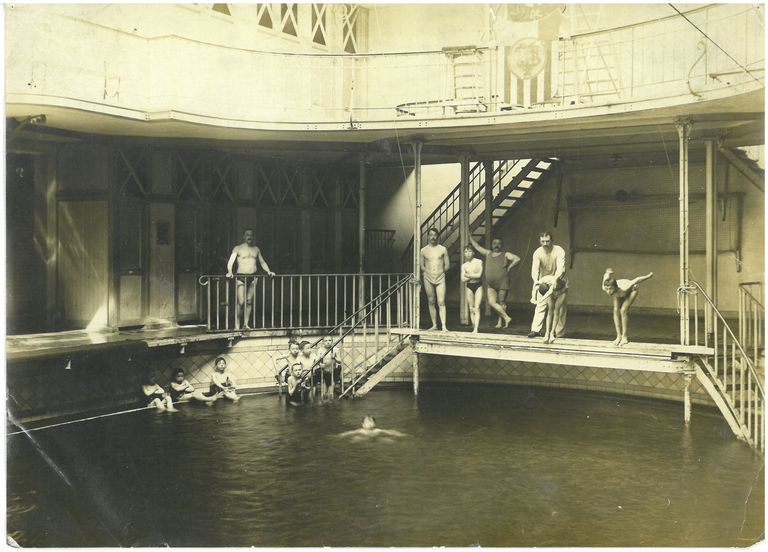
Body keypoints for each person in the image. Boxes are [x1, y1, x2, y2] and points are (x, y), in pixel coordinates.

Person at [226, 228, 275, 330]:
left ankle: (246, 324)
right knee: (241, 302)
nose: (249, 236)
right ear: (243, 236)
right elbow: (231, 261)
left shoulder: (256, 249)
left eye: (251, 235)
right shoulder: (237, 248)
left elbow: (262, 262)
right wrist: (230, 272)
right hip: (241, 276)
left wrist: (269, 271)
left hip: (253, 277)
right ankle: (237, 324)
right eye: (247, 234)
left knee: (249, 301)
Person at [470, 235, 521, 328]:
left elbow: (517, 258)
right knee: (492, 302)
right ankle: (506, 317)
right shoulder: (488, 253)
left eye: (499, 243)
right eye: (494, 243)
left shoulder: (505, 254)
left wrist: (509, 267)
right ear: (492, 245)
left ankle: (500, 322)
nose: (496, 245)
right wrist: (470, 236)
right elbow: (477, 247)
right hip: (491, 284)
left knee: (501, 302)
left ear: (501, 245)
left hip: (503, 282)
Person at [529, 231, 567, 339]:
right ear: (540, 241)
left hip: (559, 280)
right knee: (541, 304)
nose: (545, 244)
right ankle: (535, 330)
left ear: (552, 241)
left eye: (547, 241)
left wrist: (555, 279)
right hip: (543, 280)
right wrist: (536, 281)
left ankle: (558, 332)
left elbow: (561, 268)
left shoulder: (559, 250)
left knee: (559, 308)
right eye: (543, 241)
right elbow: (535, 270)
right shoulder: (537, 253)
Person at [602, 269, 654, 346]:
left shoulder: (624, 287)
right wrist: (608, 273)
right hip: (618, 293)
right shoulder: (605, 287)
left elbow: (637, 279)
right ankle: (618, 336)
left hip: (632, 290)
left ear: (615, 287)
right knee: (615, 310)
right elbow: (605, 276)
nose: (608, 291)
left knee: (623, 310)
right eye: (607, 289)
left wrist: (649, 276)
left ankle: (624, 337)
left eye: (610, 289)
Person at [420, 227, 450, 331]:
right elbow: (422, 266)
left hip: (440, 278)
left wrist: (440, 273)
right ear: (428, 236)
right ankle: (434, 325)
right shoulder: (423, 250)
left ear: (437, 236)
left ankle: (444, 326)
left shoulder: (442, 249)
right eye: (431, 235)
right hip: (428, 278)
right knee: (431, 301)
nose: (433, 237)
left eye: (435, 235)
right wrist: (428, 273)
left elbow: (447, 265)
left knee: (441, 301)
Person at [531, 274, 567, 344]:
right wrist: (533, 298)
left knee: (556, 311)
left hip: (561, 291)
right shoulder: (541, 281)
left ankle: (552, 333)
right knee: (550, 311)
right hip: (550, 290)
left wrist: (539, 300)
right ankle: (547, 333)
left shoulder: (552, 284)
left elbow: (547, 294)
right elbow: (535, 288)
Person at [460, 245, 484, 334]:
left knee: (477, 307)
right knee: (471, 308)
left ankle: (476, 329)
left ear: (473, 252)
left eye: (469, 251)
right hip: (469, 286)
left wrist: (468, 275)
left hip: (478, 286)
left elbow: (479, 276)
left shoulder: (479, 262)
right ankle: (474, 327)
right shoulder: (464, 265)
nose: (467, 253)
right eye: (466, 251)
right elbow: (462, 279)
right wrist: (472, 276)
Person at [336, 415, 407, 442]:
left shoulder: (376, 430)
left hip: (376, 439)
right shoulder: (361, 431)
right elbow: (350, 432)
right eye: (367, 422)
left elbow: (390, 431)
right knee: (356, 438)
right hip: (363, 438)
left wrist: (401, 434)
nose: (369, 424)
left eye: (371, 422)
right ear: (362, 425)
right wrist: (341, 435)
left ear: (375, 424)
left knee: (386, 439)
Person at [316, 335, 342, 400]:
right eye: (326, 341)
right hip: (324, 371)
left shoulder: (335, 349)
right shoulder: (320, 350)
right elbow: (317, 361)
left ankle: (330, 399)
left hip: (332, 370)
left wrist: (334, 357)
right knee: (324, 390)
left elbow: (340, 361)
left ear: (332, 341)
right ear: (323, 342)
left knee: (331, 391)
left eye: (330, 340)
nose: (328, 342)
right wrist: (320, 363)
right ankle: (324, 399)